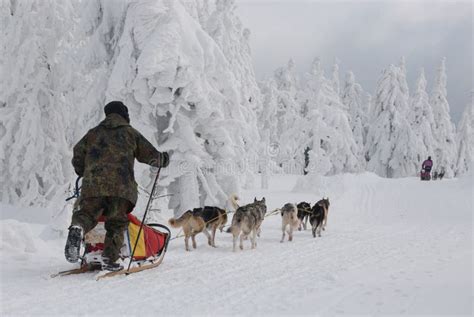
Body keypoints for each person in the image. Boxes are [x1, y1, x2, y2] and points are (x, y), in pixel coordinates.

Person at [64, 101, 169, 271]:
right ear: (124, 115)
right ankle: (109, 258)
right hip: (120, 188)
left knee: (86, 215)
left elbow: (77, 154)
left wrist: (84, 171)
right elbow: (150, 156)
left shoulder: (93, 133)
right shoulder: (130, 133)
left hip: (93, 186)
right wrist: (162, 159)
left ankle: (78, 227)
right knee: (116, 222)